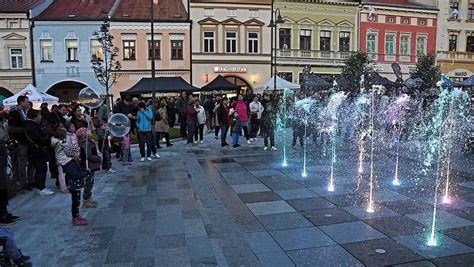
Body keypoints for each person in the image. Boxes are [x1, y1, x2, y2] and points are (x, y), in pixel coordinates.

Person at [24, 109, 54, 196]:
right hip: (37, 150)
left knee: (40, 168)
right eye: (39, 115)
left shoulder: (30, 125)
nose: (40, 117)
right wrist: (47, 137)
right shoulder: (32, 127)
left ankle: (40, 186)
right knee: (41, 168)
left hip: (35, 150)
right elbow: (39, 138)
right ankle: (41, 187)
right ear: (35, 117)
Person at [0, 112, 20, 224]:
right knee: (1, 188)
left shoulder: (2, 125)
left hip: (2, 159)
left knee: (3, 188)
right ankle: (2, 214)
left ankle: (5, 212)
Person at [62, 142, 88, 226]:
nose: (79, 153)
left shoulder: (73, 162)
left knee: (77, 201)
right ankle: (75, 217)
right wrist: (85, 173)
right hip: (74, 186)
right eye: (77, 152)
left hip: (76, 185)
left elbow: (79, 170)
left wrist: (85, 171)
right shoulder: (71, 164)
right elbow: (76, 174)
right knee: (75, 202)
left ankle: (77, 215)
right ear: (73, 153)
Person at [7, 95, 29, 191]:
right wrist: (25, 129)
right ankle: (21, 182)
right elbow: (11, 128)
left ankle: (26, 180)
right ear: (21, 102)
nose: (28, 103)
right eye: (26, 102)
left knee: (24, 162)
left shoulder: (24, 112)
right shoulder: (15, 113)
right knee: (21, 163)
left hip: (25, 141)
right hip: (19, 142)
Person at [76, 128, 100, 208]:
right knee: (88, 182)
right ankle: (86, 200)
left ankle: (88, 197)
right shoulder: (86, 143)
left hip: (87, 165)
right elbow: (88, 155)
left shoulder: (86, 142)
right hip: (88, 166)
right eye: (87, 131)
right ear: (85, 135)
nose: (90, 131)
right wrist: (98, 158)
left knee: (90, 181)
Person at [50, 128, 68, 193]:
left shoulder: (53, 141)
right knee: (62, 174)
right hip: (63, 159)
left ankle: (61, 185)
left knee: (60, 173)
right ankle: (63, 187)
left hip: (58, 159)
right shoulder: (61, 142)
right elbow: (67, 148)